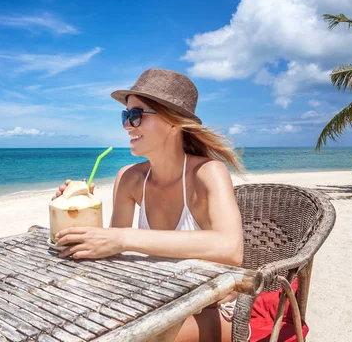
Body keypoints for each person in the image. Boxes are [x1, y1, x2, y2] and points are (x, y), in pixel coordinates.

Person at [52, 68, 245, 342]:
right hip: (156, 299)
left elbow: (231, 248)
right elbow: (109, 251)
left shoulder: (207, 173)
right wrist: (75, 210)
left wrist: (125, 238)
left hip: (211, 307)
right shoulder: (129, 178)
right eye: (125, 115)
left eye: (136, 115)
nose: (127, 126)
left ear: (173, 122)